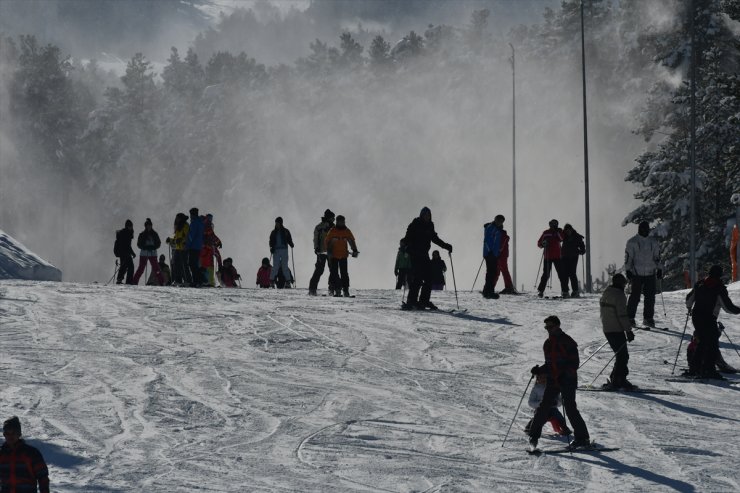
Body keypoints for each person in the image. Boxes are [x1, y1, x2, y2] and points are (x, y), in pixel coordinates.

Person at [528, 315, 590, 451]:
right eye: (546, 327)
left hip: (567, 380)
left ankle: (582, 438)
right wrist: (539, 370)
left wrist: (564, 374)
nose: (548, 329)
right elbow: (550, 364)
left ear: (557, 326)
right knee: (543, 407)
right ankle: (533, 437)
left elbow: (574, 364)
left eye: (550, 327)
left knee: (570, 408)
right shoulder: (548, 343)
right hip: (553, 380)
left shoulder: (568, 342)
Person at [685, 265, 740, 378]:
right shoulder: (719, 288)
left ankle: (696, 368)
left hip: (697, 317)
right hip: (709, 318)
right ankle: (707, 370)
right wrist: (738, 310)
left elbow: (689, 298)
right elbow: (728, 307)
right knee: (712, 344)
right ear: (720, 275)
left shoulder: (700, 284)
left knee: (702, 342)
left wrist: (689, 307)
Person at [402, 207, 452, 310]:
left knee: (429, 278)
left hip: (424, 255)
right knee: (418, 278)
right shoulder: (415, 224)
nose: (427, 217)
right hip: (415, 255)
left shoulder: (430, 225)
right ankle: (412, 300)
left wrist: (446, 246)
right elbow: (407, 238)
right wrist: (406, 247)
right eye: (425, 215)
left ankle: (424, 301)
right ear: (421, 215)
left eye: (428, 215)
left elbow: (435, 239)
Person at [599, 273, 636, 389]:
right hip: (616, 329)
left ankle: (617, 378)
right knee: (623, 356)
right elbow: (622, 315)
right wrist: (628, 331)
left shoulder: (606, 292)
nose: (625, 286)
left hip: (607, 328)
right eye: (624, 283)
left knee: (621, 355)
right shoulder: (619, 295)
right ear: (620, 283)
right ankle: (618, 380)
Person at [624, 221, 662, 328]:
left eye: (646, 229)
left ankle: (648, 318)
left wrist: (659, 269)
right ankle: (630, 317)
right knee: (635, 296)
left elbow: (657, 257)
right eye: (642, 229)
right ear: (639, 229)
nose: (644, 231)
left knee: (650, 297)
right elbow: (628, 258)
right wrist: (628, 270)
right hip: (637, 273)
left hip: (650, 272)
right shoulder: (632, 242)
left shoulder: (653, 242)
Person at [0, 416, 50, 493]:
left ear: (19, 434)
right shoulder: (2, 454)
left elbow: (43, 477)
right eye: (7, 433)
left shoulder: (31, 453)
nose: (10, 436)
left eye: (13, 432)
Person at [324, 215, 359, 297]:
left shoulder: (347, 231)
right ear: (337, 222)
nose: (342, 223)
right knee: (334, 273)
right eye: (340, 221)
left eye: (343, 221)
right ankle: (335, 290)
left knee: (344, 273)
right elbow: (326, 241)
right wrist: (329, 250)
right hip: (334, 256)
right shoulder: (332, 231)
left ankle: (345, 290)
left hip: (343, 255)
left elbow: (351, 241)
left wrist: (354, 250)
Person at [536, 219, 567, 298]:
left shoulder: (559, 232)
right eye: (552, 224)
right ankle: (541, 290)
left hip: (557, 256)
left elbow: (561, 239)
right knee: (546, 274)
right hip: (548, 256)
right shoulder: (546, 233)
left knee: (561, 274)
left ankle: (565, 291)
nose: (553, 226)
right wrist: (543, 244)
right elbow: (539, 243)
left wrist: (557, 232)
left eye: (555, 224)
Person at [308, 209, 336, 296]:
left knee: (332, 270)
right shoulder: (320, 227)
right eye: (332, 218)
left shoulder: (333, 227)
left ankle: (331, 288)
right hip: (322, 251)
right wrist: (316, 248)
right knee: (320, 270)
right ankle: (312, 289)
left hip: (330, 252)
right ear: (329, 218)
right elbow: (315, 238)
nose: (333, 219)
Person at [132, 218, 164, 285]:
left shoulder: (154, 234)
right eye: (147, 225)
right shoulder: (142, 234)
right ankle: (134, 282)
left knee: (156, 268)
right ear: (145, 226)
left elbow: (159, 243)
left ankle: (162, 282)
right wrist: (144, 247)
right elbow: (138, 244)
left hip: (152, 253)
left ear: (151, 226)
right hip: (145, 253)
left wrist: (154, 247)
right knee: (141, 268)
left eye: (150, 225)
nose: (149, 227)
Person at [482, 215, 505, 299]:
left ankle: (487, 291)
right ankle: (489, 292)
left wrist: (496, 252)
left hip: (493, 254)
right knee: (491, 273)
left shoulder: (497, 228)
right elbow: (487, 240)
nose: (500, 223)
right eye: (499, 221)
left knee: (492, 273)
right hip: (490, 254)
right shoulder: (491, 228)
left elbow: (496, 242)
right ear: (495, 220)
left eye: (501, 221)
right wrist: (490, 251)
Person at [561, 224, 586, 298]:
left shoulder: (575, 236)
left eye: (569, 230)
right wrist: (581, 251)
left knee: (571, 273)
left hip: (572, 256)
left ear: (571, 230)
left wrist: (582, 251)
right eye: (566, 230)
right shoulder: (565, 236)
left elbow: (582, 245)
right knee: (567, 274)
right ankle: (568, 291)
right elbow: (582, 246)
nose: (568, 232)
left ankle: (570, 291)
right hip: (566, 256)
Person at [166, 213, 191, 286]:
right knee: (176, 265)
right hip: (177, 248)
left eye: (178, 218)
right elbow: (176, 238)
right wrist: (170, 240)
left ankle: (188, 280)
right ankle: (178, 280)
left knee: (184, 265)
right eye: (176, 218)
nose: (176, 219)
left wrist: (182, 240)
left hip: (184, 248)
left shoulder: (185, 225)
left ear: (181, 218)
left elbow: (187, 236)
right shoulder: (178, 226)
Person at [269, 217, 294, 287]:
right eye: (276, 223)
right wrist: (271, 247)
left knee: (284, 266)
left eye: (277, 223)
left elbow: (289, 239)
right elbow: (271, 241)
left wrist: (291, 243)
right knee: (276, 266)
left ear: (281, 223)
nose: (276, 224)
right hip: (277, 250)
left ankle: (287, 282)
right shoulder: (274, 232)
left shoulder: (284, 231)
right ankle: (272, 282)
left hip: (283, 250)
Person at [493, 228, 518, 294]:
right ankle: (492, 286)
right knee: (498, 271)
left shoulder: (501, 235)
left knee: (502, 270)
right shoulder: (500, 234)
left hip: (501, 255)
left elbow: (500, 246)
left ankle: (509, 287)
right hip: (501, 255)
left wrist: (496, 251)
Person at [186, 208, 204, 287]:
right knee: (195, 264)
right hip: (199, 246)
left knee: (192, 264)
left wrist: (187, 245)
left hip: (193, 246)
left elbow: (191, 236)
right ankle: (199, 280)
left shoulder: (194, 223)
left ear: (192, 214)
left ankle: (196, 281)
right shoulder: (201, 222)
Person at [114, 219, 136, 284]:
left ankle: (120, 279)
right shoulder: (126, 233)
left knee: (125, 266)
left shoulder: (126, 232)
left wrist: (131, 253)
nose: (131, 227)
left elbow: (128, 246)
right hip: (124, 253)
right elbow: (127, 245)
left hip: (123, 253)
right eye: (130, 226)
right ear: (127, 226)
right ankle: (127, 281)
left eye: (131, 226)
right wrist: (133, 253)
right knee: (129, 267)